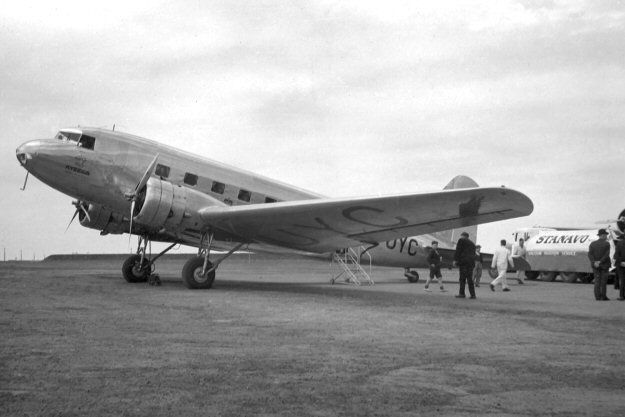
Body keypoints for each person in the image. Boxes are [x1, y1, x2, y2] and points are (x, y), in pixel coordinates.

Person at [588, 229, 611, 301]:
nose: (607, 236)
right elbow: (606, 255)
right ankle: (603, 296)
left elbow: (590, 254)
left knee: (597, 281)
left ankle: (597, 297)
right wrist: (600, 262)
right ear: (603, 235)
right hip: (604, 265)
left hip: (595, 265)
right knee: (603, 281)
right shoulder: (607, 243)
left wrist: (594, 262)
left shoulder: (592, 244)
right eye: (606, 235)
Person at [453, 232, 476, 299]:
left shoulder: (461, 240)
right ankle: (473, 295)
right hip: (471, 263)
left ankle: (462, 293)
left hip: (463, 263)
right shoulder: (472, 244)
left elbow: (458, 250)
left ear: (462, 236)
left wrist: (455, 260)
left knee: (462, 279)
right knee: (469, 279)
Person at [615, 235, 625, 301]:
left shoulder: (619, 244)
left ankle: (622, 296)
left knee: (622, 280)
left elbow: (616, 255)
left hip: (621, 264)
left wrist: (621, 261)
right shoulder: (620, 243)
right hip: (621, 263)